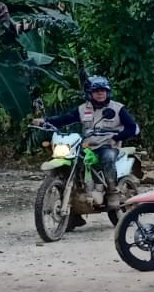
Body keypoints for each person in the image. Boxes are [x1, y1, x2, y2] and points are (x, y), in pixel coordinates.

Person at [33, 76, 141, 222]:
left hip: (108, 145)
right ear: (90, 94)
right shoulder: (84, 109)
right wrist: (46, 121)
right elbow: (65, 118)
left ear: (108, 92)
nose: (100, 93)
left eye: (103, 90)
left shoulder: (117, 108)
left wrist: (116, 137)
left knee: (108, 158)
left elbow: (133, 128)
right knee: (72, 162)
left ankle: (112, 192)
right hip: (88, 146)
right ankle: (74, 208)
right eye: (96, 91)